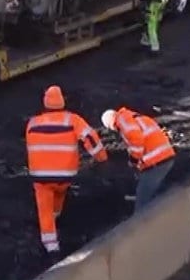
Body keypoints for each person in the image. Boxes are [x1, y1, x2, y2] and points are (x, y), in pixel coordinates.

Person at [25, 85, 108, 253]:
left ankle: (51, 245)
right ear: (62, 102)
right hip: (65, 174)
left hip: (40, 176)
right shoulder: (72, 120)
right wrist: (101, 157)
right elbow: (90, 138)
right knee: (60, 190)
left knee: (44, 207)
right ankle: (58, 215)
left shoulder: (32, 123)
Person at [101, 106, 176, 212]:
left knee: (142, 200)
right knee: (157, 192)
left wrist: (133, 160)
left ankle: (144, 224)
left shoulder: (122, 120)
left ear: (110, 123)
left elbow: (136, 140)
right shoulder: (133, 116)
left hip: (157, 161)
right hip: (165, 156)